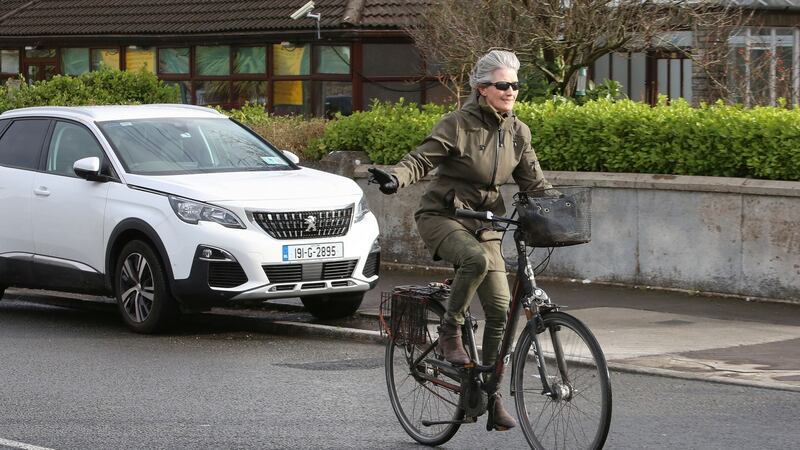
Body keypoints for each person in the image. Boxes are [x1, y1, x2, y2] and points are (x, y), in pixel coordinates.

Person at [370, 50, 551, 429]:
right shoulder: (457, 124)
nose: (511, 91)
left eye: (516, 85)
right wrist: (394, 178)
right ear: (482, 89)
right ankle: (450, 329)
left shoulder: (518, 132)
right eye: (503, 85)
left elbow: (535, 184)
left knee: (501, 310)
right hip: (443, 216)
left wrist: (563, 210)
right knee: (476, 260)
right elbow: (421, 160)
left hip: (484, 222)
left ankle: (487, 394)